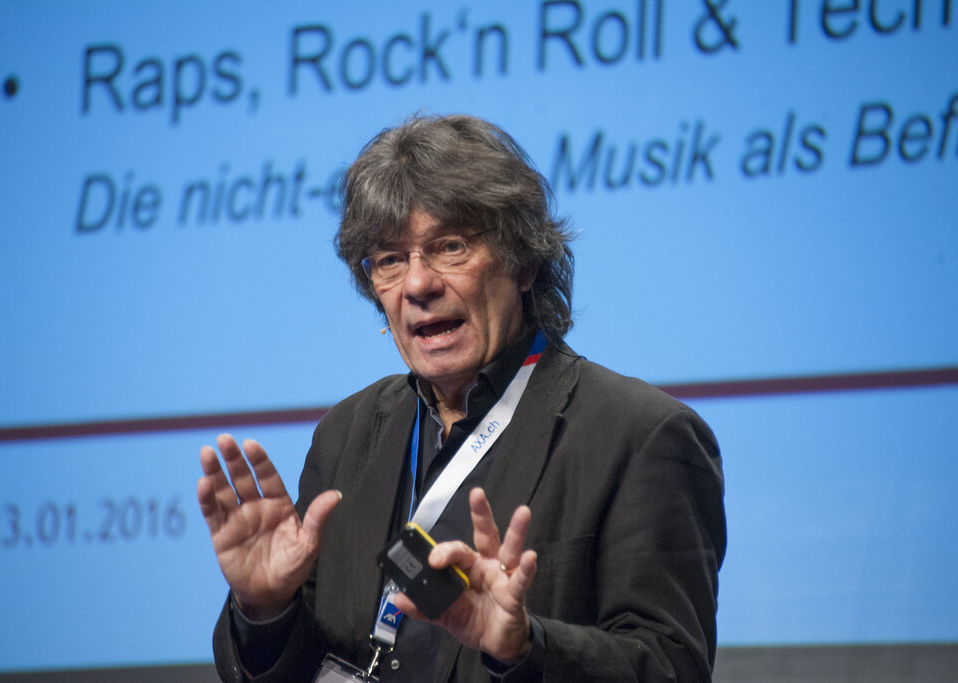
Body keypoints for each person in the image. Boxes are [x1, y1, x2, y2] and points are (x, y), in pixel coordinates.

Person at [196, 114, 726, 682]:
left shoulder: (642, 436)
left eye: (449, 247)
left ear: (524, 263)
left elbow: (671, 667)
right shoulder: (347, 434)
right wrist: (266, 610)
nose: (417, 285)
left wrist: (525, 648)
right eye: (390, 260)